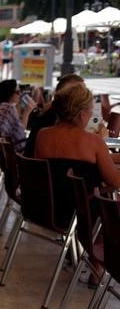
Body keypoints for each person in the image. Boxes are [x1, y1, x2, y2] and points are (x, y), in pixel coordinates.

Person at [35, 84, 120, 285]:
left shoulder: (43, 135)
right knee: (107, 199)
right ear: (82, 114)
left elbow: (60, 170)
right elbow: (115, 181)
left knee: (98, 192)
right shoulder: (93, 141)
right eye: (91, 109)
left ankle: (96, 266)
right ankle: (98, 267)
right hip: (82, 214)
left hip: (49, 207)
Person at [0, 79, 31, 163]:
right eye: (17, 92)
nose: (20, 95)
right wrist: (27, 112)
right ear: (9, 94)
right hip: (3, 160)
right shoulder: (8, 108)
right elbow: (20, 140)